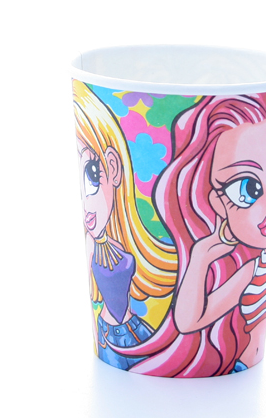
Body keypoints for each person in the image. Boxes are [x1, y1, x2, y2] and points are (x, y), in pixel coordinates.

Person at [125, 87, 266, 377]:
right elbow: (189, 321)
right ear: (217, 201)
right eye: (248, 188)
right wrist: (201, 255)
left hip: (242, 380)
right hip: (237, 375)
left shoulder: (253, 266)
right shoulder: (249, 269)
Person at [72, 81, 177, 370]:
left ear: (113, 168)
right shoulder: (94, 243)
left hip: (133, 333)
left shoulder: (127, 248)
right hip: (106, 334)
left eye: (93, 175)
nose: (89, 201)